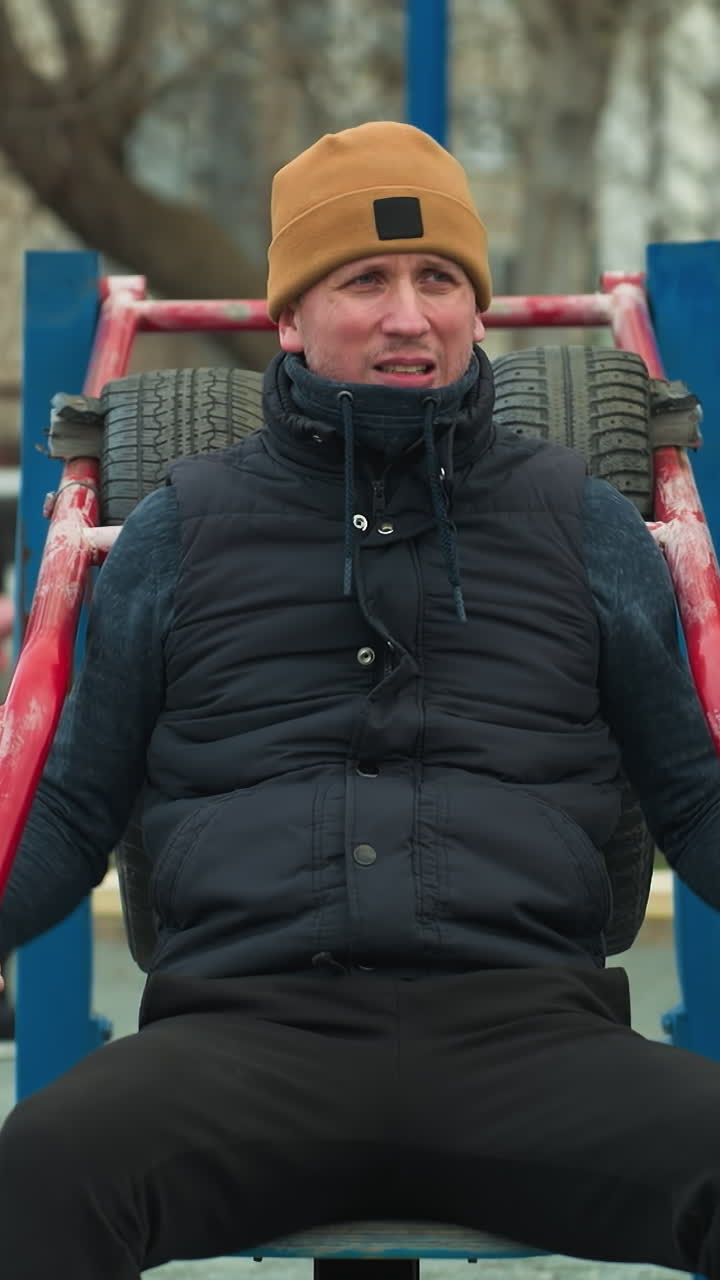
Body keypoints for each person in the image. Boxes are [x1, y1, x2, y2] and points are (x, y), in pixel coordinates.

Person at [1, 120, 720, 1280]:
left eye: (438, 278)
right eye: (365, 280)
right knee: (34, 1178)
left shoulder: (584, 522)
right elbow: (75, 808)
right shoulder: (179, 529)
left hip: (528, 1036)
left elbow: (690, 798)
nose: (408, 317)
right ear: (289, 315)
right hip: (244, 1037)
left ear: (477, 307)